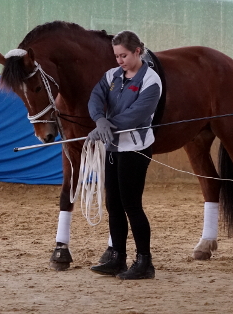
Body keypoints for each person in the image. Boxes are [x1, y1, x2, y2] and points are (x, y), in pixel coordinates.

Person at [86, 30, 162, 280]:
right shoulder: (112, 75)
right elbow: (95, 97)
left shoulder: (151, 81)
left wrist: (107, 125)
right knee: (113, 204)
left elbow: (137, 115)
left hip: (134, 149)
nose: (119, 60)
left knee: (131, 205)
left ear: (137, 51)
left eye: (124, 55)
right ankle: (117, 257)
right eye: (116, 56)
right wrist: (99, 119)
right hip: (113, 148)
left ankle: (145, 262)